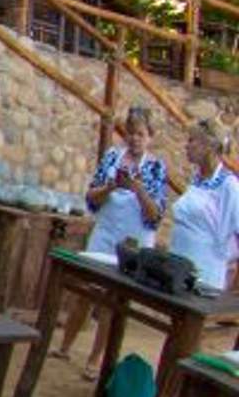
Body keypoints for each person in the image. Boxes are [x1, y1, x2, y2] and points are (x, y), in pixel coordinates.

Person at [54, 106, 167, 379]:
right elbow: (91, 197)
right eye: (131, 133)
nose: (135, 139)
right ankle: (65, 345)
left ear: (150, 136)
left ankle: (96, 358)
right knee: (86, 289)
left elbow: (156, 214)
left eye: (141, 134)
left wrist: (138, 188)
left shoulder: (155, 167)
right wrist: (113, 186)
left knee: (113, 300)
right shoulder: (112, 157)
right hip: (105, 233)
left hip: (134, 240)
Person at [169, 119, 239, 293]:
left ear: (209, 146)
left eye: (192, 140)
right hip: (179, 261)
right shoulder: (197, 180)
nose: (187, 145)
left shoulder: (229, 185)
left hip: (205, 270)